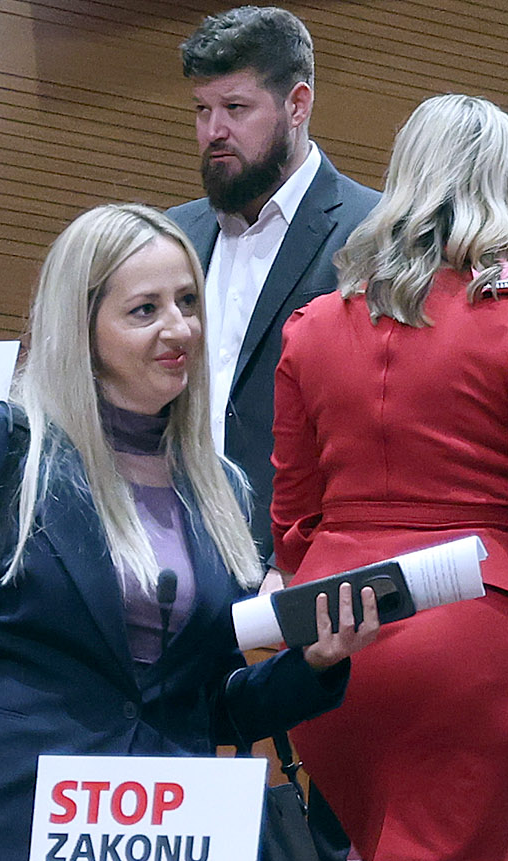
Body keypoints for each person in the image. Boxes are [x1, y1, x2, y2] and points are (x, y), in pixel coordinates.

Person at [0, 204, 384, 861]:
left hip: (162, 860)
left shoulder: (219, 486)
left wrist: (311, 666)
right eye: (144, 310)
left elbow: (200, 704)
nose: (179, 329)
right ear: (83, 326)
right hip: (4, 842)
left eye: (188, 303)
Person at [272, 94, 508, 861]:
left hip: (333, 635)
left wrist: (302, 619)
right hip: (463, 641)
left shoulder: (312, 325)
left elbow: (292, 512)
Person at [162, 7, 379, 517]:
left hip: (302, 551)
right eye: (202, 110)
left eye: (236, 107)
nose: (214, 130)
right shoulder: (174, 234)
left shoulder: (375, 229)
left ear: (298, 105)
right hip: (176, 545)